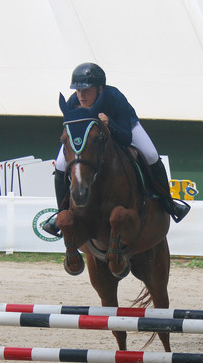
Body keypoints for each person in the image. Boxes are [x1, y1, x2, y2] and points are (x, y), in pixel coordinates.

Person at [42, 62, 190, 237]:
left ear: (100, 88)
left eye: (86, 90)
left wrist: (110, 123)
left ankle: (168, 202)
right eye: (78, 90)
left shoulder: (114, 97)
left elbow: (126, 137)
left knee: (150, 154)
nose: (81, 95)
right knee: (60, 164)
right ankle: (60, 212)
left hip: (125, 127)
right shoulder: (73, 102)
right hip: (90, 140)